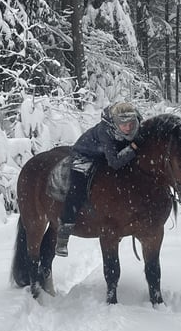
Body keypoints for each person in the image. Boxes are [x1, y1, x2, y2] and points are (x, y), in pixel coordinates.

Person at [55, 102, 143, 257]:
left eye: (131, 124)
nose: (129, 128)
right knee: (77, 191)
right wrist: (133, 148)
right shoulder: (105, 131)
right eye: (124, 125)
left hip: (105, 156)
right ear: (115, 123)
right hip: (84, 156)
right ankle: (64, 232)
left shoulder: (134, 125)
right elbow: (115, 161)